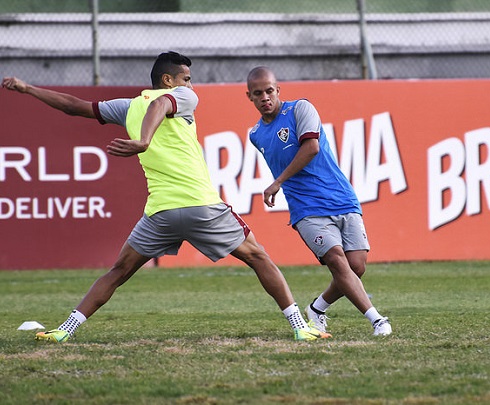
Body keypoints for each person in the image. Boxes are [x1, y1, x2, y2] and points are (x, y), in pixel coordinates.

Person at [2, 51, 330, 342]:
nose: (190, 84)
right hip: (202, 206)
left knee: (118, 272)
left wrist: (29, 89)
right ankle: (299, 326)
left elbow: (75, 107)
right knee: (258, 257)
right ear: (168, 80)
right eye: (186, 78)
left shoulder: (129, 107)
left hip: (161, 213)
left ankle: (65, 329)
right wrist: (144, 141)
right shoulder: (184, 96)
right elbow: (160, 104)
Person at [245, 66, 391, 336]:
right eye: (258, 93)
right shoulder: (256, 135)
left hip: (341, 196)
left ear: (278, 90)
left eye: (269, 91)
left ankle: (317, 308)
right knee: (336, 260)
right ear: (249, 97)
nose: (264, 97)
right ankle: (377, 320)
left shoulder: (301, 109)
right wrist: (283, 183)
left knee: (356, 266)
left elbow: (311, 147)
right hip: (306, 209)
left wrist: (278, 182)